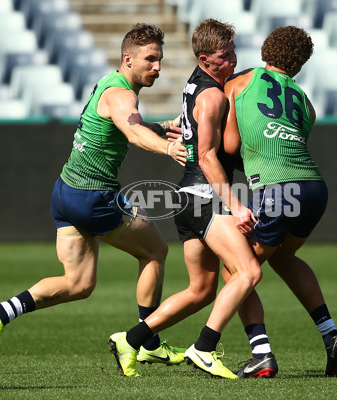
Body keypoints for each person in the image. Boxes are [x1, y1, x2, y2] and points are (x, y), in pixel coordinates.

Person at [0, 23, 189, 367]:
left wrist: (162, 126)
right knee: (155, 251)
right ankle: (147, 340)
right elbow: (132, 132)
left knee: (78, 283)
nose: (158, 67)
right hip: (93, 197)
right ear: (128, 58)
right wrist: (169, 148)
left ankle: (1, 311)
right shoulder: (123, 95)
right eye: (150, 59)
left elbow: (124, 125)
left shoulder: (108, 83)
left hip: (65, 192)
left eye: (160, 60)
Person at [107, 18, 262, 380]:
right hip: (205, 196)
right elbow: (207, 156)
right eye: (225, 56)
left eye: (234, 52)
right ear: (206, 59)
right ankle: (204, 349)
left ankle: (131, 339)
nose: (234, 60)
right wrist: (236, 205)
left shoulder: (198, 81)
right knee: (248, 271)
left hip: (188, 198)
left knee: (202, 289)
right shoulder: (210, 95)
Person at [222, 25, 337, 378]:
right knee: (284, 256)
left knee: (235, 270)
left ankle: (261, 353)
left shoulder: (240, 82)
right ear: (300, 65)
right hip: (313, 188)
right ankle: (332, 337)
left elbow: (232, 146)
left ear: (266, 49)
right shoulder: (303, 99)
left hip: (278, 188)